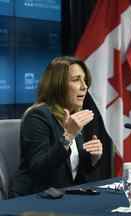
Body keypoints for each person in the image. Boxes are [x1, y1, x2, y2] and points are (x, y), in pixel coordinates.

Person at [9, 56, 103, 197]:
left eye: (84, 80)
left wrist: (93, 158)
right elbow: (39, 168)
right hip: (34, 200)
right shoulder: (37, 116)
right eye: (76, 80)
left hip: (65, 198)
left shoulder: (72, 116)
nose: (84, 86)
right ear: (58, 85)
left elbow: (71, 172)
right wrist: (69, 135)